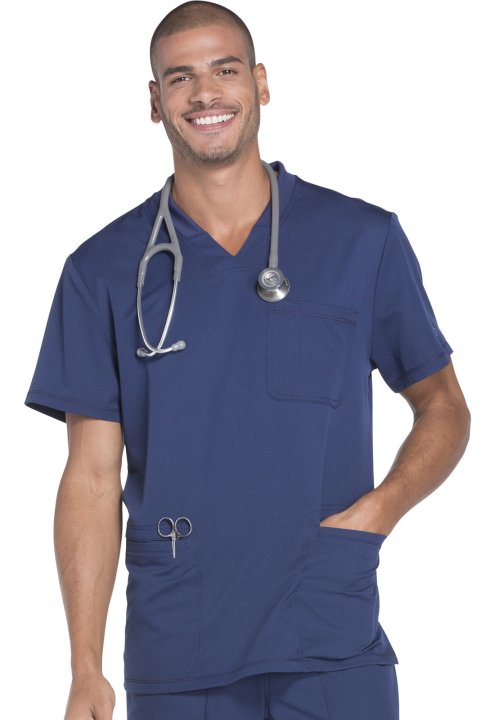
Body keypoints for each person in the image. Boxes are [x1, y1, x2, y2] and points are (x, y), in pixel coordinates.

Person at [25, 2, 471, 719]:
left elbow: (442, 404)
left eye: (224, 70)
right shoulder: (101, 271)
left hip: (329, 630)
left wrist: (380, 510)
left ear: (260, 83)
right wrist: (84, 667)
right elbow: (91, 476)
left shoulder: (360, 239)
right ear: (155, 101)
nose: (205, 93)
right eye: (180, 78)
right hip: (180, 643)